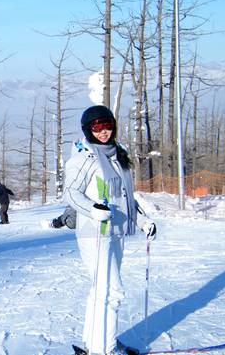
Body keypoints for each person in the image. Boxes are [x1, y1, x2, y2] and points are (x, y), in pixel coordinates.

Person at [64, 105, 156, 355]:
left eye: (107, 125)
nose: (103, 131)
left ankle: (93, 342)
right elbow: (71, 193)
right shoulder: (84, 157)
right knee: (112, 291)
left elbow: (124, 197)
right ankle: (105, 349)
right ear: (88, 129)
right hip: (95, 233)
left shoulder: (118, 154)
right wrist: (92, 209)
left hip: (117, 231)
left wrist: (142, 220)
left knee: (101, 290)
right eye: (97, 126)